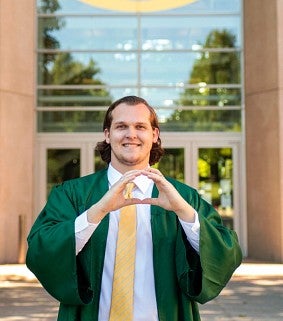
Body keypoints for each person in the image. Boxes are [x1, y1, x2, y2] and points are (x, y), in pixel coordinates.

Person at [26, 95, 242, 321]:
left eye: (140, 126)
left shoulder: (183, 198)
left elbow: (226, 252)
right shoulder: (73, 194)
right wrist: (96, 212)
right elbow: (41, 250)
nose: (131, 134)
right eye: (121, 126)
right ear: (107, 135)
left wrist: (185, 215)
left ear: (154, 135)